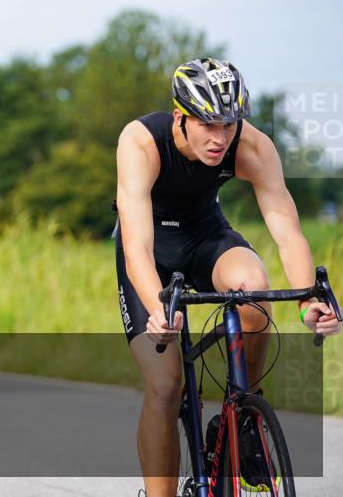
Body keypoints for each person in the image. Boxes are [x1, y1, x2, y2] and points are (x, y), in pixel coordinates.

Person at [115, 58, 340, 496]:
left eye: (229, 124)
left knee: (255, 291)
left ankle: (243, 417)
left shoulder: (251, 146)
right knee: (164, 385)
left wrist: (308, 300)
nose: (220, 138)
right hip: (150, 251)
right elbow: (136, 248)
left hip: (206, 236)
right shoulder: (141, 142)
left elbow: (288, 234)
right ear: (180, 117)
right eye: (208, 125)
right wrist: (159, 308)